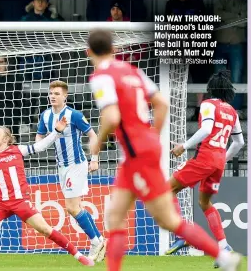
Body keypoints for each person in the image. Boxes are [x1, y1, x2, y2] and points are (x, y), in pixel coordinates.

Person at [86, 29, 241, 271]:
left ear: (88, 52)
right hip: (148, 150)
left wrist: (97, 143)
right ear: (115, 50)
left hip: (137, 153)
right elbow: (161, 103)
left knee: (164, 218)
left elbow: (112, 115)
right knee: (117, 216)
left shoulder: (101, 76)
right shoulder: (133, 71)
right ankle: (221, 251)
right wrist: (153, 134)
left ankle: (221, 254)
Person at [0, 119, 94, 266]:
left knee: (46, 229)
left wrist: (56, 132)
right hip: (0, 203)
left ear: (6, 139)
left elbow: (40, 146)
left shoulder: (18, 150)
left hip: (21, 202)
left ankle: (79, 256)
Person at [165, 70, 245, 269]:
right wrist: (222, 158)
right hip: (218, 163)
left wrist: (183, 146)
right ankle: (224, 246)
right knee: (205, 202)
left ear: (211, 89)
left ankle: (182, 235)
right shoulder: (232, 112)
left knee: (167, 190)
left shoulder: (208, 104)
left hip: (205, 158)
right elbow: (239, 143)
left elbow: (207, 129)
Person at [35, 80, 106, 262]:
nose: (52, 96)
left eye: (57, 93)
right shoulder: (45, 116)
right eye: (51, 93)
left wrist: (95, 158)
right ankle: (99, 239)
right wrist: (37, 146)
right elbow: (39, 136)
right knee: (78, 207)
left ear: (65, 96)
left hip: (77, 164)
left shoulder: (74, 115)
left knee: (72, 207)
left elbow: (92, 134)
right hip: (61, 166)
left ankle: (95, 241)